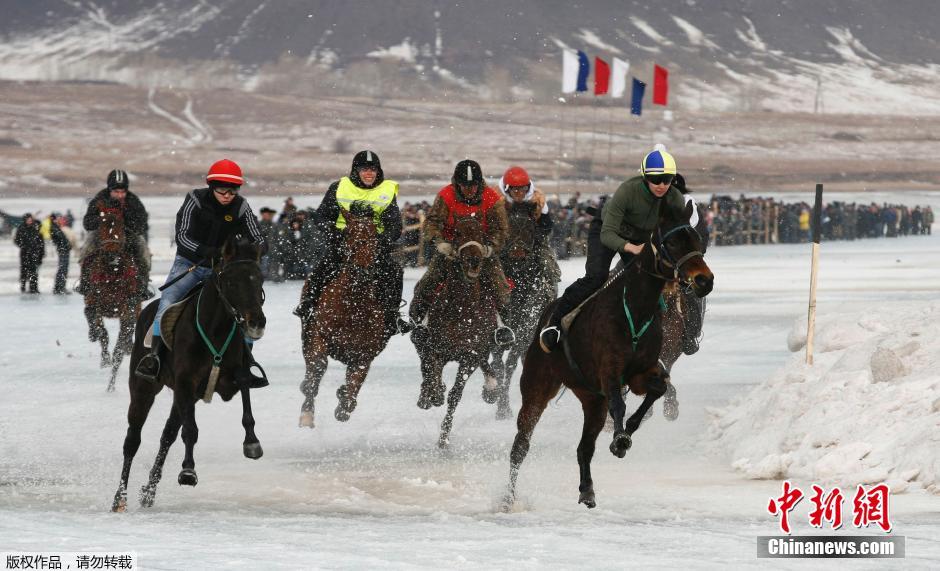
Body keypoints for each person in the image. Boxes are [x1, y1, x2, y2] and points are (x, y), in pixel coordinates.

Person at [539, 145, 686, 352]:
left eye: (667, 180)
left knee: (649, 282)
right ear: (645, 177)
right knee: (596, 277)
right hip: (607, 229)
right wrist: (632, 249)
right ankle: (554, 323)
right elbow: (608, 234)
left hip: (640, 237)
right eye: (655, 180)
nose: (662, 185)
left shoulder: (675, 199)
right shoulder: (627, 191)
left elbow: (675, 234)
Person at [135, 159, 267, 385]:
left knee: (247, 307)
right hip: (190, 264)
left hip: (223, 270)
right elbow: (183, 235)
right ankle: (154, 357)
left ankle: (246, 363)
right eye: (223, 189)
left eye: (233, 189)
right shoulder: (194, 200)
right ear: (212, 185)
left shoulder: (242, 207)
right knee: (168, 301)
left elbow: (259, 237)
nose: (228, 195)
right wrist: (206, 250)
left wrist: (254, 249)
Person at [293, 150, 409, 335]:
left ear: (378, 171)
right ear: (356, 171)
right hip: (343, 244)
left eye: (373, 169)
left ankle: (392, 316)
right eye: (365, 169)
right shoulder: (339, 187)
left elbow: (394, 225)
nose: (369, 173)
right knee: (323, 268)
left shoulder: (387, 190)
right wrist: (336, 234)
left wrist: (379, 241)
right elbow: (321, 216)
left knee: (394, 272)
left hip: (373, 247)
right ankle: (308, 304)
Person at [409, 159, 512, 344]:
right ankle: (419, 323)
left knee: (500, 285)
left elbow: (502, 230)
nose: (469, 190)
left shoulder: (491, 198)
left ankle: (503, 325)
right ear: (457, 183)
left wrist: (490, 247)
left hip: (483, 251)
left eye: (473, 185)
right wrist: (440, 243)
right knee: (428, 281)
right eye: (465, 185)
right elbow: (431, 223)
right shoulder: (446, 196)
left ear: (479, 183)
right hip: (451, 251)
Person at [77, 169, 151, 298]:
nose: (120, 195)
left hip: (127, 234)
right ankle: (84, 283)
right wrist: (103, 219)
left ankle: (143, 285)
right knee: (86, 251)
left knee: (143, 251)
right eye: (116, 192)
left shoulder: (133, 200)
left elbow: (143, 223)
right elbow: (87, 223)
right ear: (110, 190)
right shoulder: (99, 199)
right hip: (102, 234)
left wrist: (126, 219)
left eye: (123, 192)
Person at [672, 173, 708, 355]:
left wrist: (692, 260)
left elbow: (702, 237)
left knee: (696, 290)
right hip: (651, 258)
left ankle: (690, 335)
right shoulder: (650, 201)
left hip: (683, 262)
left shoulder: (690, 207)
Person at [14, 213, 44, 293]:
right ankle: (23, 287)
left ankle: (33, 288)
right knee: (24, 271)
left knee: (34, 271)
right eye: (28, 219)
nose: (30, 221)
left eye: (31, 219)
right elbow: (16, 240)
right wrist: (24, 246)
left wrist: (40, 252)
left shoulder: (35, 227)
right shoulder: (21, 228)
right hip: (24, 253)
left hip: (34, 253)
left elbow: (40, 240)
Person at [50, 213, 75, 294]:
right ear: (54, 219)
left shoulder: (57, 228)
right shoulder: (54, 228)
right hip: (62, 251)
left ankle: (59, 287)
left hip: (64, 250)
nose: (59, 220)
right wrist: (67, 245)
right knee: (63, 269)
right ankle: (60, 287)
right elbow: (60, 240)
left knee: (63, 269)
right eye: (58, 218)